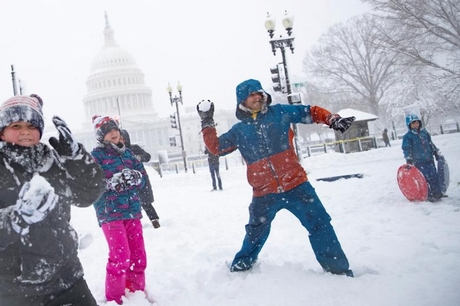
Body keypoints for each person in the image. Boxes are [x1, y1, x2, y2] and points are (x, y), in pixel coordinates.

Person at [196, 79, 355, 277]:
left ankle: (338, 270)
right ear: (242, 101)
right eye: (251, 94)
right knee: (255, 232)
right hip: (264, 193)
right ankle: (241, 268)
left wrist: (331, 118)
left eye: (259, 93)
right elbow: (216, 148)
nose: (257, 97)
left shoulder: (279, 112)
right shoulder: (239, 131)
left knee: (320, 223)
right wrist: (207, 122)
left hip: (297, 185)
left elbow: (310, 112)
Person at [0, 94, 105, 306]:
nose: (25, 132)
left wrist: (76, 157)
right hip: (18, 290)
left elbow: (86, 194)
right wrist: (18, 218)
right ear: (2, 132)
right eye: (16, 125)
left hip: (68, 278)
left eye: (31, 125)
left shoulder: (50, 159)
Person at [91, 116, 149, 304]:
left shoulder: (128, 154)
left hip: (132, 211)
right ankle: (115, 299)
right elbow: (91, 186)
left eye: (115, 129)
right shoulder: (96, 157)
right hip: (110, 214)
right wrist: (113, 182)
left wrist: (136, 177)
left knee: (138, 256)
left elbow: (143, 179)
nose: (114, 132)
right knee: (120, 256)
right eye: (108, 131)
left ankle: (136, 294)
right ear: (101, 136)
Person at [120, 129, 160, 228]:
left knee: (146, 203)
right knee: (129, 205)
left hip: (140, 180)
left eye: (123, 139)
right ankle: (133, 225)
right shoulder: (116, 153)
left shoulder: (134, 148)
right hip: (127, 182)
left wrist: (138, 157)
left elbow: (147, 156)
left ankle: (154, 221)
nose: (121, 141)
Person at [402, 114, 444, 202]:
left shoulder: (424, 132)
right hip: (419, 161)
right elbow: (406, 148)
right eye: (413, 123)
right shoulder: (408, 136)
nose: (415, 125)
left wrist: (435, 152)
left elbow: (430, 143)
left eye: (417, 122)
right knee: (424, 179)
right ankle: (428, 195)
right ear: (409, 125)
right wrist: (408, 159)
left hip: (429, 159)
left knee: (434, 176)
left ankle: (437, 193)